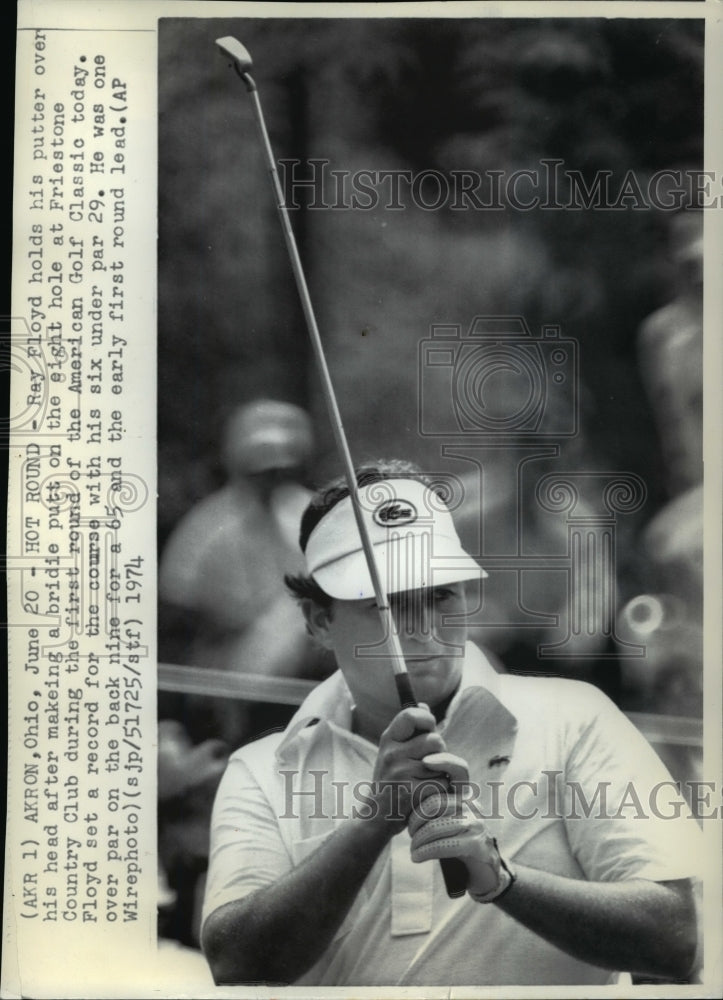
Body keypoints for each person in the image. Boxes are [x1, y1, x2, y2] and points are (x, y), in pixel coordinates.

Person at [201, 460, 700, 987]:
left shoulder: (576, 719)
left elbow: (676, 941)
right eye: (388, 605)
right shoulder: (259, 770)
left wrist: (503, 882)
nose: (422, 628)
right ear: (319, 620)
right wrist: (373, 823)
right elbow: (236, 963)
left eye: (441, 594)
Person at [159, 399, 331, 745]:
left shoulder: (311, 514)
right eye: (261, 471)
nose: (270, 480)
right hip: (229, 669)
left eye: (279, 469)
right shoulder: (207, 527)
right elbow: (177, 604)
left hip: (306, 661)